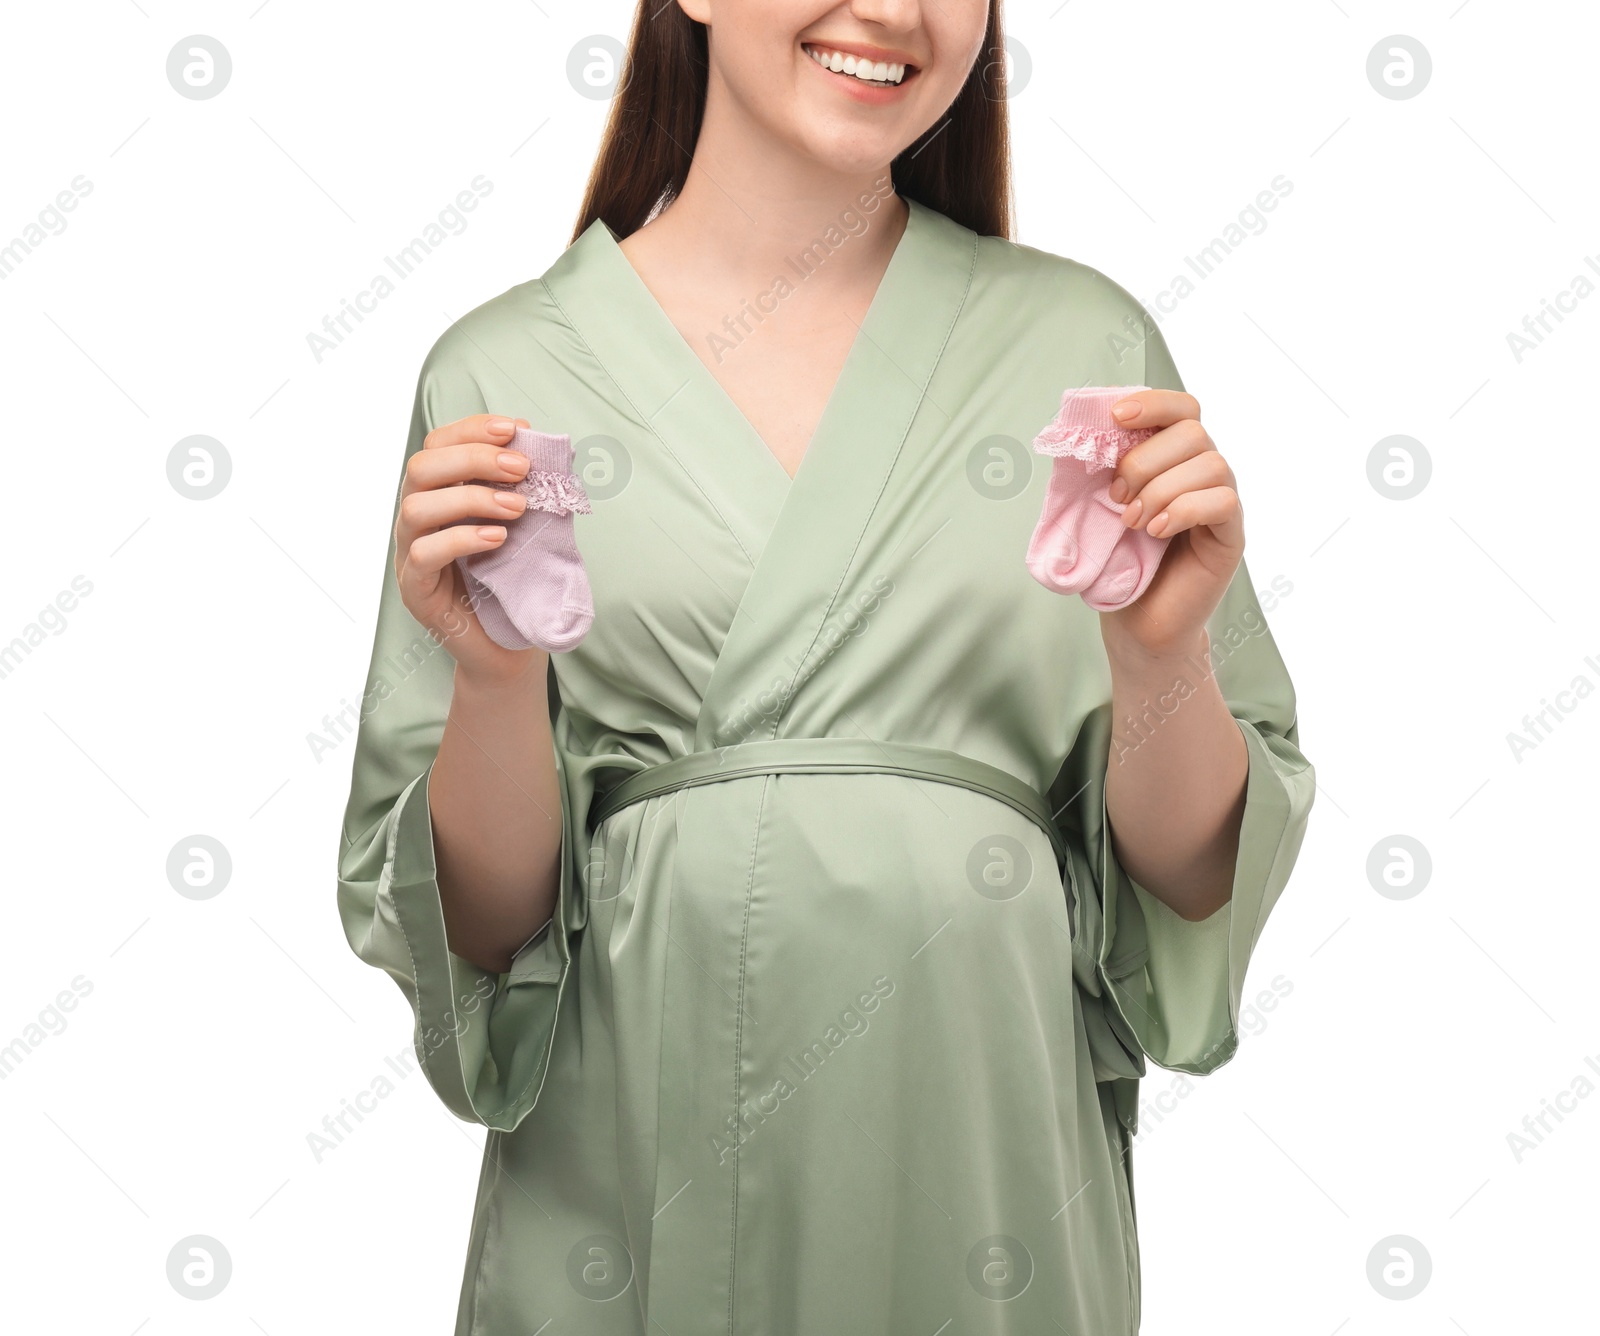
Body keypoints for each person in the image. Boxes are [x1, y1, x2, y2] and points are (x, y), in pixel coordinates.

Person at [336, 2, 1316, 1331]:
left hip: (986, 1177)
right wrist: (497, 681)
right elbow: (490, 943)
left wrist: (1158, 660)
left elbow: (1188, 890)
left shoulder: (1086, 351)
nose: (897, 13)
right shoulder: (505, 376)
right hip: (631, 1186)